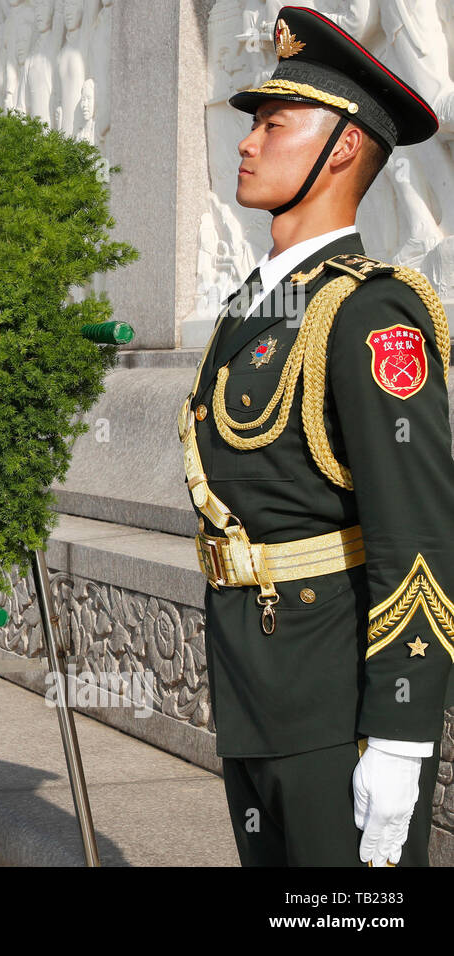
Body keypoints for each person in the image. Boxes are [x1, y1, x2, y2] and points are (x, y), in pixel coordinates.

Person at [181, 6, 452, 866]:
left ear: (340, 148)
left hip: (336, 699)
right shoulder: (258, 306)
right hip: (254, 682)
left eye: (273, 123)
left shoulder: (372, 309)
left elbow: (418, 532)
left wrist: (403, 736)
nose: (247, 142)